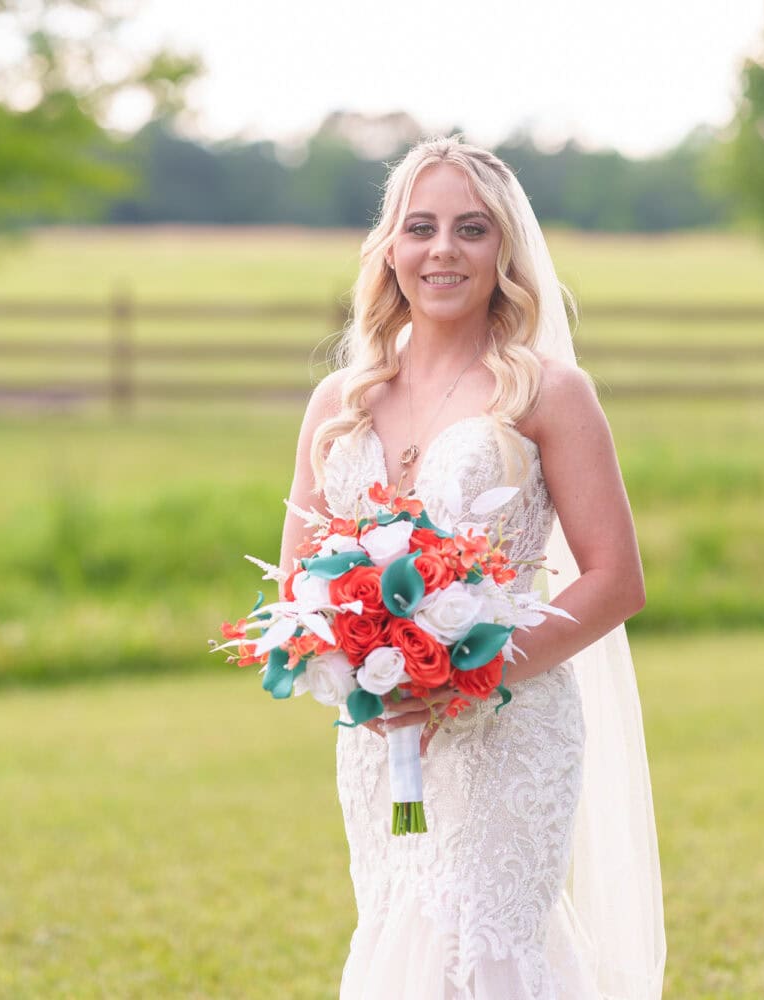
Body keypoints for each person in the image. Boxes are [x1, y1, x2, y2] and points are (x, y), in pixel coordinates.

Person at [280, 135, 665, 999]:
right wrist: (361, 673)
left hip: (510, 730)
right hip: (381, 738)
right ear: (390, 249)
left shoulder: (548, 393)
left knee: (480, 946)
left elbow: (616, 579)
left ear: (505, 252)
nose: (443, 249)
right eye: (420, 227)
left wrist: (473, 671)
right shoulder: (339, 403)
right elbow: (295, 585)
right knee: (397, 934)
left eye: (471, 229)